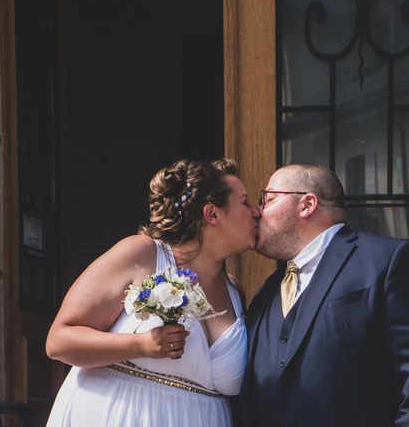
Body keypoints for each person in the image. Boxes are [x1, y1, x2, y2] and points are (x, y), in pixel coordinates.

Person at [46, 158, 260, 426]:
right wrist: (141, 345)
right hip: (123, 414)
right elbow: (59, 341)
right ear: (212, 214)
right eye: (245, 202)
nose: (257, 212)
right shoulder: (142, 254)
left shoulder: (235, 291)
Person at [241, 164, 409, 426]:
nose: (257, 212)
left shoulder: (390, 262)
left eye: (269, 200)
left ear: (307, 204)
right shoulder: (268, 290)